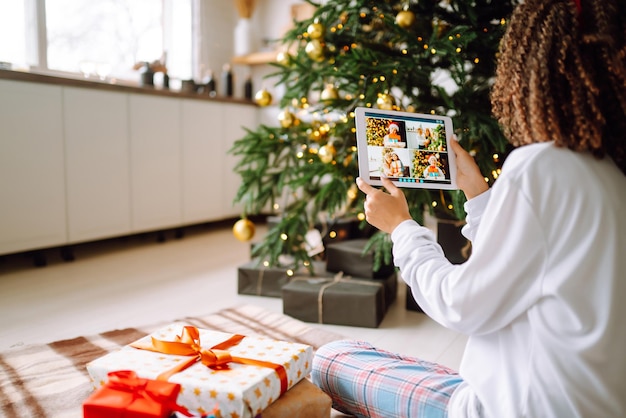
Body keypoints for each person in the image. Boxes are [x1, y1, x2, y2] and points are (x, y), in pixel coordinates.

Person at [311, 0, 626, 417]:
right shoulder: (610, 174)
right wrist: (478, 194)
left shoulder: (541, 166)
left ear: (530, 67)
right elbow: (531, 260)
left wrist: (401, 227)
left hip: (513, 409)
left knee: (332, 358)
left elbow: (461, 305)